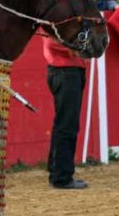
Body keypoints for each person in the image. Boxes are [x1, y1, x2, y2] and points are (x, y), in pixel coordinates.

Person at [43, 36, 88, 189]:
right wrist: (83, 48)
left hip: (67, 71)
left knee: (63, 123)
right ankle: (61, 177)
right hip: (65, 71)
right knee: (67, 124)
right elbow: (53, 43)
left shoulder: (59, 17)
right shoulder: (55, 17)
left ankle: (57, 171)